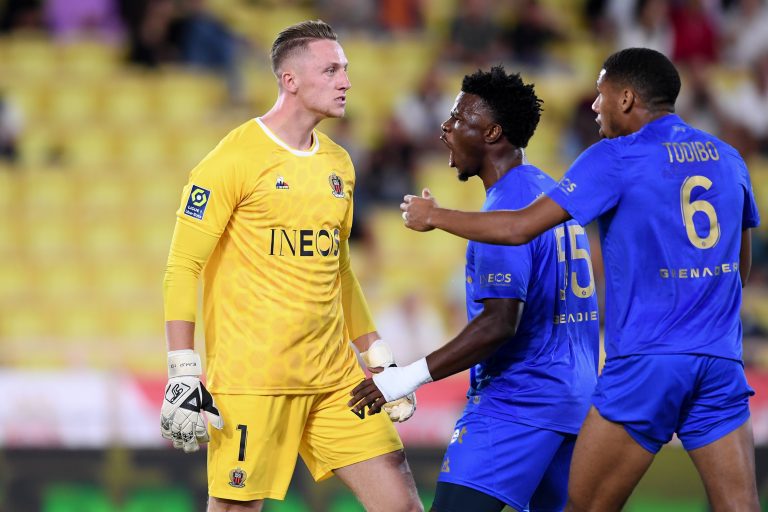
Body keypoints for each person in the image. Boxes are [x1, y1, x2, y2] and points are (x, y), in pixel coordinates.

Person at [400, 48, 761, 511]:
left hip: (645, 364)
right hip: (720, 360)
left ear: (626, 99)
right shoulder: (730, 159)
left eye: (600, 94)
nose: (594, 105)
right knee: (740, 506)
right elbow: (740, 271)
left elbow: (519, 227)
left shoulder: (613, 157)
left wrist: (435, 216)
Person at [160, 20, 422, 512]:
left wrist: (379, 356)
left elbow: (339, 270)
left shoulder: (340, 164)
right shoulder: (232, 159)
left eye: (346, 69)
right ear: (291, 80)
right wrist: (182, 371)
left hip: (335, 378)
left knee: (401, 504)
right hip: (254, 381)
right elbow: (182, 266)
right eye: (331, 70)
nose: (346, 81)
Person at [350, 66, 599, 512]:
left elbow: (500, 322)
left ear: (492, 132)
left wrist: (405, 377)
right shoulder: (547, 195)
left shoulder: (506, 211)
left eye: (458, 117)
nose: (445, 128)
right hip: (575, 404)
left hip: (517, 405)